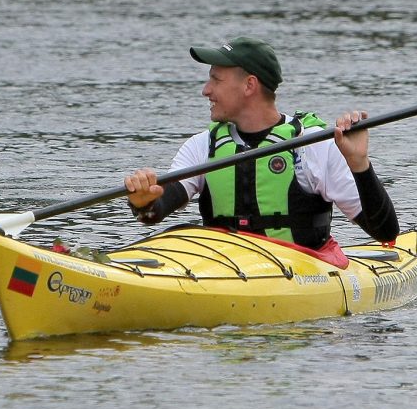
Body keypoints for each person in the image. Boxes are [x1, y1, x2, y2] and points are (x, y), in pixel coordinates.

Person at [123, 37, 399, 252]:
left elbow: (385, 232)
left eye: (216, 79)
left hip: (303, 271)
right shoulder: (203, 145)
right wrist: (143, 201)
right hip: (226, 270)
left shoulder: (313, 144)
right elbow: (155, 213)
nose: (206, 90)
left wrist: (359, 164)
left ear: (249, 86)